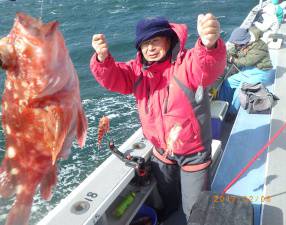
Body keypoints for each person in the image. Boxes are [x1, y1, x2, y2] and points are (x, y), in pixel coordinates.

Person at [90, 14, 226, 221]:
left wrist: (209, 45)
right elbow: (113, 77)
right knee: (167, 200)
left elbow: (206, 68)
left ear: (168, 40)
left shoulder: (187, 63)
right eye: (145, 44)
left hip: (193, 152)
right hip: (162, 151)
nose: (150, 48)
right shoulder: (137, 73)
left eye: (155, 41)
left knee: (195, 210)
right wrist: (102, 60)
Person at [218, 26, 274, 118]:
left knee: (240, 90)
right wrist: (225, 54)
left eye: (237, 44)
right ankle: (223, 105)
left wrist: (232, 59)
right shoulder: (242, 44)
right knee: (227, 83)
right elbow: (234, 50)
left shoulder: (260, 46)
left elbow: (246, 61)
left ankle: (232, 113)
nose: (236, 46)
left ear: (244, 42)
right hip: (248, 70)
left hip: (262, 72)